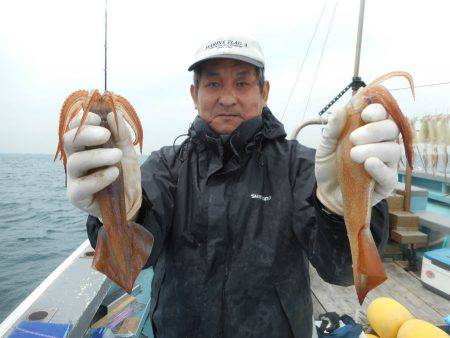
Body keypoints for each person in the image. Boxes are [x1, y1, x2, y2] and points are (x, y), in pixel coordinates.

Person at [63, 36, 402, 337]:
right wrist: (120, 210)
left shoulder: (300, 167)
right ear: (195, 95)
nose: (227, 98)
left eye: (242, 84)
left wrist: (339, 209)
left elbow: (341, 269)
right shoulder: (166, 166)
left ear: (264, 92)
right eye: (213, 85)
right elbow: (130, 263)